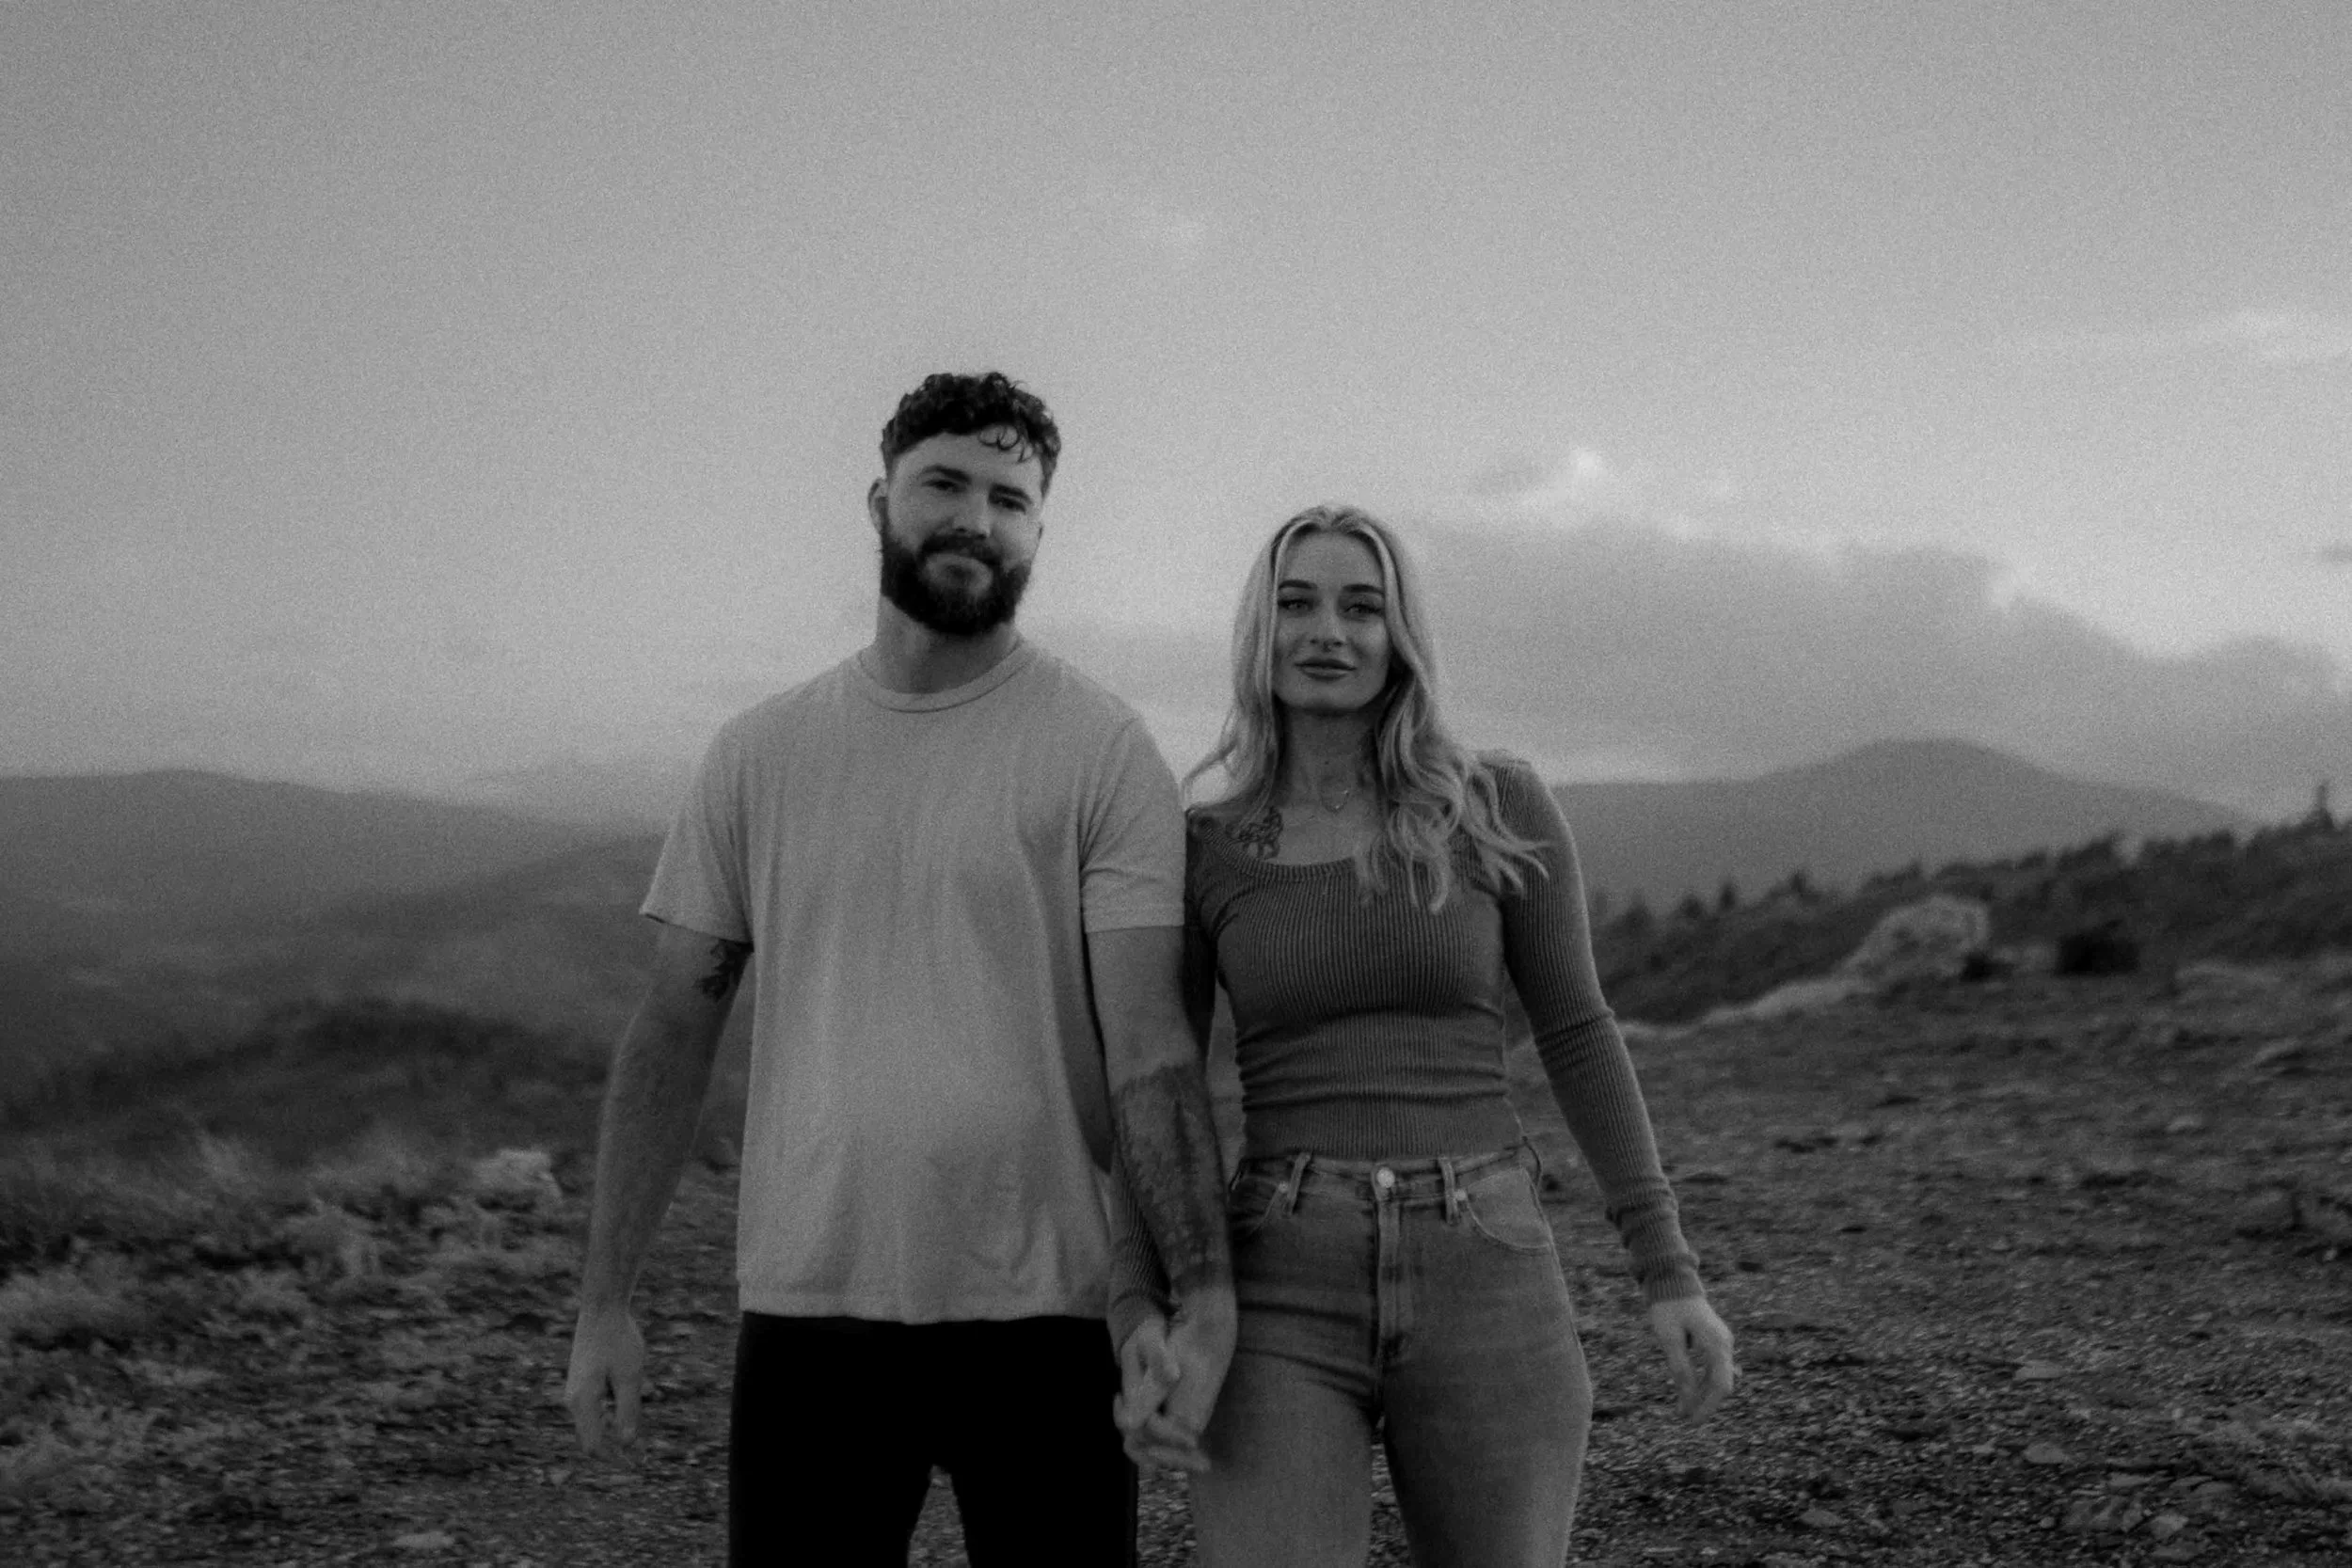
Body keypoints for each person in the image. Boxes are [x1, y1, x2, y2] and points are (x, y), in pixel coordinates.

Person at [564, 370, 1235, 1566]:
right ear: (880, 502)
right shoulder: (760, 754)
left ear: (1039, 533)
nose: (976, 519)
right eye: (944, 484)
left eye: (1010, 499)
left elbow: (1150, 1044)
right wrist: (603, 1300)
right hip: (811, 1303)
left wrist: (1193, 1293)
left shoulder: (1101, 748)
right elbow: (672, 1026)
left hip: (1048, 1305)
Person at [1113, 504, 1737, 1567]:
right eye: (1297, 603)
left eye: (1362, 607)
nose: (1329, 631)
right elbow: (1156, 1082)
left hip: (1485, 1264)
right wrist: (1141, 1301)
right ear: (1259, 630)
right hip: (1281, 1275)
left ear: (1399, 635)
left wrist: (1668, 1270)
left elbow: (1578, 1030)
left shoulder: (1493, 803)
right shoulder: (1206, 846)